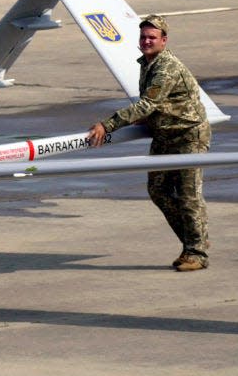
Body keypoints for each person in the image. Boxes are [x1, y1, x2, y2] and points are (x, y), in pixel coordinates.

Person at [87, 14, 211, 272]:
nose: (146, 41)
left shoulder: (166, 67)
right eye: (143, 37)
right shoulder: (147, 63)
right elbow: (154, 104)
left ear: (164, 41)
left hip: (188, 135)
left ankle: (197, 252)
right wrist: (149, 118)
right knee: (158, 190)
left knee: (189, 196)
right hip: (165, 134)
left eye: (152, 38)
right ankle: (192, 244)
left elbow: (147, 103)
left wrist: (106, 125)